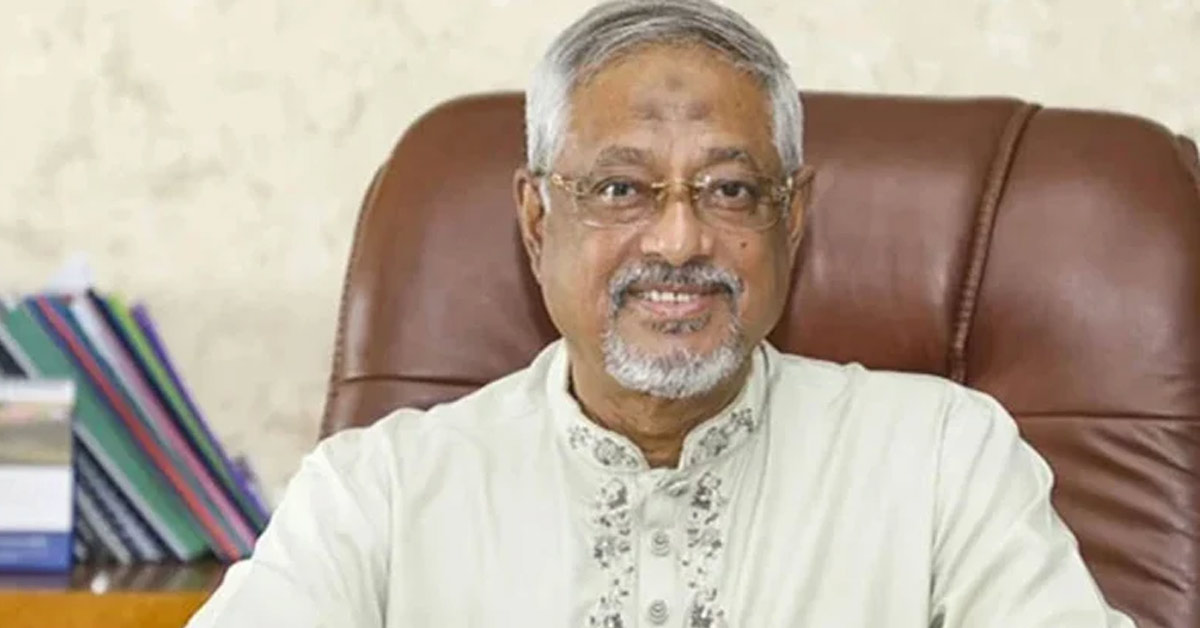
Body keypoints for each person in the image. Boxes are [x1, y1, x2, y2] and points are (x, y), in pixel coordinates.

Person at [188, 1, 1135, 626]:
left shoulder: (941, 460)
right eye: (619, 188)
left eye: (730, 190)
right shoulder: (379, 493)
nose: (679, 241)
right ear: (536, 219)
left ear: (792, 218)